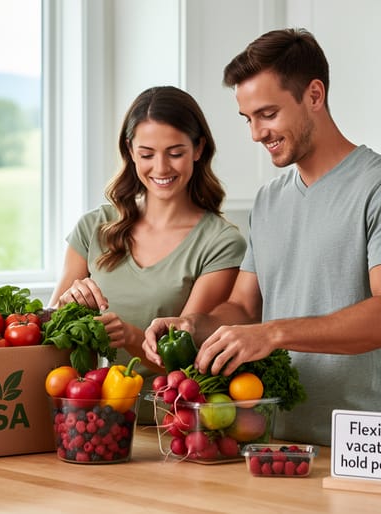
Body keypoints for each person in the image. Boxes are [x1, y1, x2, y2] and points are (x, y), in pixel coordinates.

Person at [142, 28, 381, 445]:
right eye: (248, 119)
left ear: (314, 95)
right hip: (271, 438)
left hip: (363, 441)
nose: (256, 133)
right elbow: (243, 307)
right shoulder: (269, 200)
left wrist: (273, 333)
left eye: (268, 114)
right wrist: (194, 325)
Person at [49, 85, 247, 419]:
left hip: (166, 427)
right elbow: (49, 332)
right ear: (130, 151)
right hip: (86, 421)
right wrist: (66, 307)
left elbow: (187, 358)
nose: (161, 168)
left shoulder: (221, 243)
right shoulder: (93, 227)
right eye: (147, 154)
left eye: (175, 152)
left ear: (198, 148)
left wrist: (129, 337)